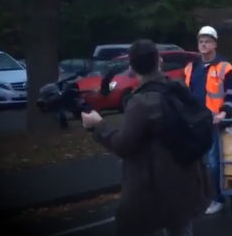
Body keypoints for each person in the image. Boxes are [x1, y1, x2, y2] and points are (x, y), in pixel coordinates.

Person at [82, 40, 209, 236]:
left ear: (132, 67)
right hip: (187, 178)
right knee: (181, 228)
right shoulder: (177, 87)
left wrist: (98, 125)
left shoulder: (142, 102)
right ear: (159, 61)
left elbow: (123, 145)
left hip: (154, 186)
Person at [184, 26, 232, 215]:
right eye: (201, 41)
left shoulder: (225, 67)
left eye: (207, 41)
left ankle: (218, 198)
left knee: (214, 162)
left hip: (215, 123)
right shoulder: (191, 68)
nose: (203, 44)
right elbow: (186, 95)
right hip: (196, 122)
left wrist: (224, 113)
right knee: (198, 163)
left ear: (215, 44)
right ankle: (202, 197)